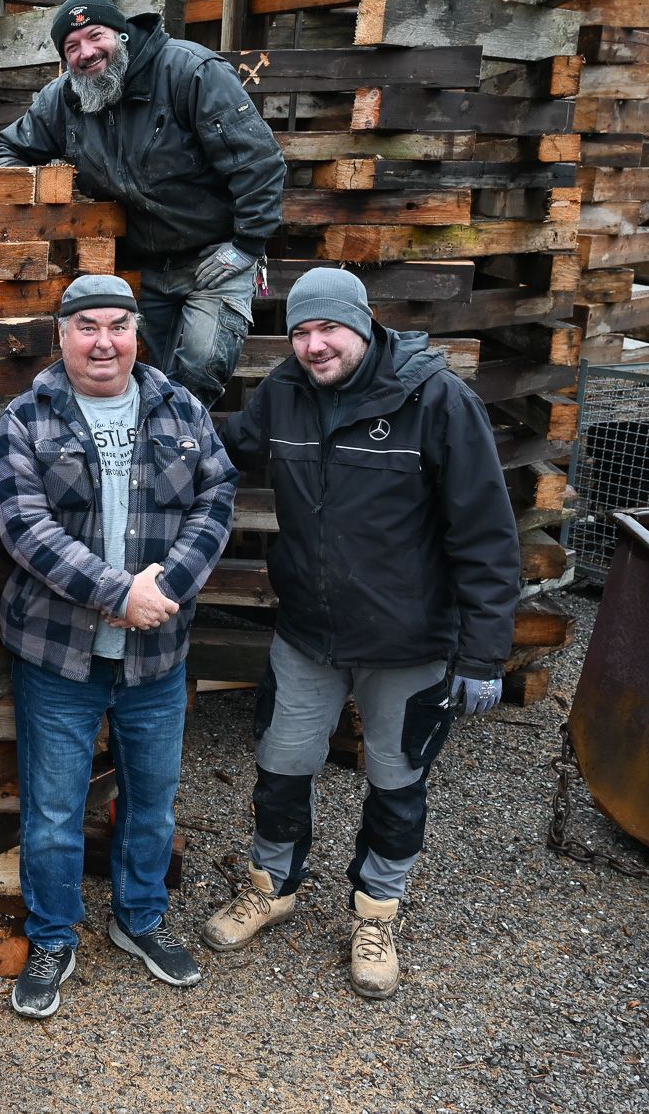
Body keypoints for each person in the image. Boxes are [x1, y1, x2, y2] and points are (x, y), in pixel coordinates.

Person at [206, 267, 520, 999]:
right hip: (308, 634)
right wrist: (146, 423)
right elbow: (224, 447)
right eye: (302, 332)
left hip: (408, 643)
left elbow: (485, 534)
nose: (315, 346)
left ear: (365, 324)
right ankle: (272, 887)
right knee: (281, 767)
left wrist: (482, 654)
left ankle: (377, 912)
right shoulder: (284, 392)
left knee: (396, 779)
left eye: (329, 329)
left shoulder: (436, 400)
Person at [0, 274, 237, 1019]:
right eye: (87, 326)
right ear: (60, 336)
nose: (104, 342)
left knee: (153, 804)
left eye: (118, 327)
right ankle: (54, 936)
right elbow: (25, 528)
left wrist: (167, 585)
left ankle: (140, 921)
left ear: (137, 335)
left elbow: (217, 494)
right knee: (55, 812)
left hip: (156, 658)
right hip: (59, 655)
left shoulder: (180, 408)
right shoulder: (26, 418)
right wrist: (115, 591)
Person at [0, 0, 286, 408]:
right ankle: (152, 456)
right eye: (72, 47)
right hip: (138, 262)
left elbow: (258, 159)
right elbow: (8, 152)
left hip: (215, 254)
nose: (86, 53)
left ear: (122, 36)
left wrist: (247, 244)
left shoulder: (189, 71)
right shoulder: (64, 98)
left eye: (96, 36)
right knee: (148, 373)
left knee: (200, 364)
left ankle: (179, 454)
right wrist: (53, 199)